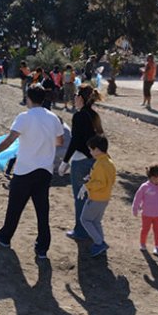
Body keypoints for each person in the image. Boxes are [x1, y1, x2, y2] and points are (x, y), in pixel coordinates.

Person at [0, 87, 65, 259]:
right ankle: (42, 249)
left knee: (15, 207)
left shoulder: (24, 117)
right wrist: (44, 143)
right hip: (45, 170)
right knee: (42, 210)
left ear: (28, 98)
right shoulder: (53, 117)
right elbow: (60, 141)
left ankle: (5, 237)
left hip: (24, 170)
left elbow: (9, 140)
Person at [58, 85, 104, 240]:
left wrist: (65, 162)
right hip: (94, 160)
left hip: (80, 161)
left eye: (76, 95)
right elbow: (101, 138)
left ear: (81, 98)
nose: (74, 98)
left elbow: (75, 141)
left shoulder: (79, 116)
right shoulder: (94, 115)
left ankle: (81, 231)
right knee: (91, 196)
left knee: (80, 197)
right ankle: (91, 228)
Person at [77, 135, 116, 257]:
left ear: (97, 150)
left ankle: (99, 243)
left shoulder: (100, 164)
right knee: (96, 221)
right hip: (105, 197)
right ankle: (100, 242)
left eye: (91, 149)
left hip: (96, 198)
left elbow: (100, 182)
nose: (90, 152)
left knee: (85, 219)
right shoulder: (108, 161)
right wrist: (91, 177)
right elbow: (105, 178)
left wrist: (87, 186)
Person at [132, 164, 158, 255]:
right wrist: (135, 208)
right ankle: (142, 243)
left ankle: (157, 247)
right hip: (146, 214)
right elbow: (137, 198)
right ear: (153, 177)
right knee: (145, 229)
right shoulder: (144, 187)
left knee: (157, 231)